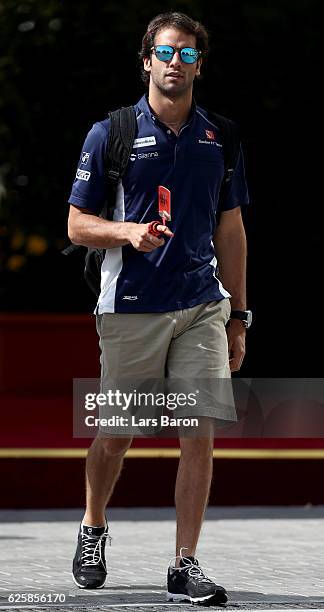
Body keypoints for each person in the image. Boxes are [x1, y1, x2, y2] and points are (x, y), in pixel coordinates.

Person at [67, 11, 251, 606]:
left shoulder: (220, 135)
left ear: (200, 64)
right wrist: (127, 233)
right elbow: (76, 224)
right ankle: (94, 527)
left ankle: (185, 564)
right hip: (131, 306)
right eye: (168, 53)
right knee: (117, 433)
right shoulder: (112, 133)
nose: (178, 64)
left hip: (202, 305)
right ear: (147, 60)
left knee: (197, 433)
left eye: (189, 55)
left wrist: (240, 315)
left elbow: (232, 231)